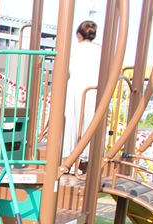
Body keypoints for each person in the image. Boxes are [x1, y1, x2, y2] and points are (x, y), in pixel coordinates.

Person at [62, 20, 102, 173]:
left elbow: (66, 69)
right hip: (95, 87)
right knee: (91, 121)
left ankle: (68, 158)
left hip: (76, 86)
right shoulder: (100, 50)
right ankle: (87, 156)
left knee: (71, 120)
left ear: (78, 34)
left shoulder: (74, 49)